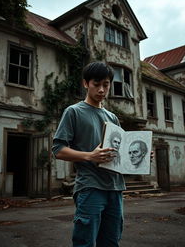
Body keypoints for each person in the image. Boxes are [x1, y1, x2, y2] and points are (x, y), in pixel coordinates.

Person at [52, 61, 126, 247]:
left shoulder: (113, 117)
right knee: (85, 242)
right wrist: (89, 156)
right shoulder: (74, 112)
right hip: (90, 187)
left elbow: (119, 153)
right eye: (96, 84)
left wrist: (140, 159)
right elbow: (58, 150)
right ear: (86, 83)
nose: (101, 89)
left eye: (106, 84)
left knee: (111, 242)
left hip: (115, 188)